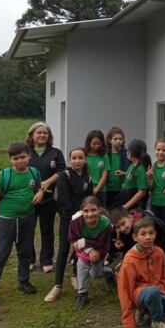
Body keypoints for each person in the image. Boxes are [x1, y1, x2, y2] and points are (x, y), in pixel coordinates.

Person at [0, 142, 44, 308]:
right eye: (15, 158)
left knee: (25, 251)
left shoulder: (34, 172)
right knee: (1, 253)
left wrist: (40, 192)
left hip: (27, 218)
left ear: (29, 156)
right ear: (10, 160)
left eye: (23, 157)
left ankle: (24, 281)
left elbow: (38, 188)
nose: (20, 161)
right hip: (6, 219)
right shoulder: (4, 175)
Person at [118, 217, 165, 328]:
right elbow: (124, 290)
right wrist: (128, 321)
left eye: (150, 233)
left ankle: (147, 310)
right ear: (135, 237)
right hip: (139, 294)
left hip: (156, 292)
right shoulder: (129, 260)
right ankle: (157, 320)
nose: (147, 237)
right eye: (143, 234)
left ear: (155, 234)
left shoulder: (159, 253)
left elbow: (164, 277)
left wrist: (163, 293)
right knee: (153, 291)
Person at [45, 147, 94, 302]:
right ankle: (57, 285)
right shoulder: (64, 175)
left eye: (80, 158)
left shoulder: (88, 178)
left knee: (79, 249)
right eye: (74, 158)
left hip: (83, 219)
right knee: (64, 249)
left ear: (85, 159)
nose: (77, 161)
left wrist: (86, 214)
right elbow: (63, 199)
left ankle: (75, 276)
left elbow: (89, 199)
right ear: (70, 159)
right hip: (68, 218)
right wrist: (76, 214)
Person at [26, 121, 66, 273]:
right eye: (39, 132)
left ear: (49, 136)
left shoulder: (55, 153)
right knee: (28, 229)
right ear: (32, 135)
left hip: (49, 198)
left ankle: (46, 260)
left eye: (45, 133)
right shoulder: (26, 152)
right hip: (30, 197)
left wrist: (47, 183)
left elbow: (62, 170)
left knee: (47, 229)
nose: (42, 135)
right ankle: (29, 260)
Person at [68, 196, 115, 308]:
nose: (90, 214)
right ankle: (82, 294)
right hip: (83, 251)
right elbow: (72, 240)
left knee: (95, 274)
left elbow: (101, 242)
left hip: (100, 251)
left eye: (93, 210)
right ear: (82, 211)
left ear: (99, 209)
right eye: (86, 211)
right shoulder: (75, 222)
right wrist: (88, 249)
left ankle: (110, 273)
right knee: (81, 269)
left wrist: (83, 242)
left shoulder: (106, 225)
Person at [121, 139, 152, 210]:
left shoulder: (141, 169)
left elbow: (142, 192)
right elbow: (134, 177)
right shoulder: (133, 164)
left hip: (133, 204)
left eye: (128, 150)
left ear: (131, 153)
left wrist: (126, 206)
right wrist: (124, 173)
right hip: (126, 197)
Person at [105, 127, 130, 209]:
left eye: (120, 139)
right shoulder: (105, 154)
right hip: (107, 189)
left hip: (122, 189)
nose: (118, 141)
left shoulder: (127, 154)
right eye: (115, 139)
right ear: (109, 140)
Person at [84, 130, 110, 206]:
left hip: (101, 190)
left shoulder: (104, 157)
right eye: (94, 143)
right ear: (89, 143)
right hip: (86, 188)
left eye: (99, 144)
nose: (97, 146)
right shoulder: (84, 156)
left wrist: (97, 189)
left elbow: (104, 176)